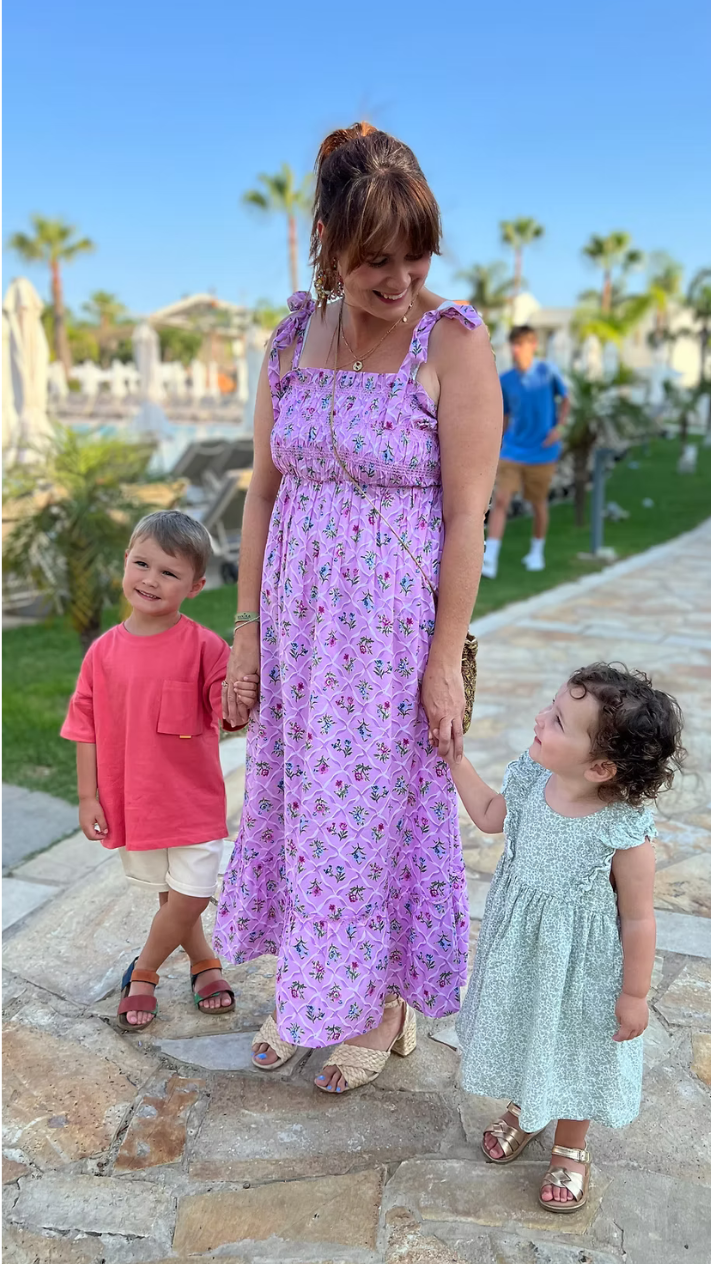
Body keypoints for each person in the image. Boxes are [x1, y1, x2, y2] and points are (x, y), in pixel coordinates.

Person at [217, 121, 502, 1093]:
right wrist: (247, 635)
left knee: (377, 817)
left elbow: (467, 514)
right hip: (298, 632)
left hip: (389, 639)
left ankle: (382, 1002)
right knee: (308, 809)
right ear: (328, 249)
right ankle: (316, 983)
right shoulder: (292, 338)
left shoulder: (452, 341)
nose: (400, 277)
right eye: (374, 258)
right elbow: (263, 491)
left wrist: (442, 656)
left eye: (415, 251)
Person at [445, 663, 683, 1214]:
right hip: (521, 954)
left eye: (556, 720)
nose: (539, 719)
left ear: (599, 766)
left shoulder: (622, 828)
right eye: (550, 709)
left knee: (574, 1049)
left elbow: (639, 918)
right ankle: (525, 1109)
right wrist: (455, 759)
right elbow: (486, 814)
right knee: (525, 1028)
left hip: (583, 969)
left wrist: (634, 993)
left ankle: (571, 1147)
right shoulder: (530, 779)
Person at [61, 510, 258, 1029]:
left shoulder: (205, 647)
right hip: (136, 801)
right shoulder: (101, 654)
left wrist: (238, 696)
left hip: (192, 801)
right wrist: (88, 797)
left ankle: (143, 971)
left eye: (168, 573)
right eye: (142, 564)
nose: (150, 579)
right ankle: (203, 962)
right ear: (125, 561)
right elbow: (85, 728)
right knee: (173, 895)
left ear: (194, 586)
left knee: (193, 892)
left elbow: (226, 710)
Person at [482, 325, 569, 579]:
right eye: (513, 345)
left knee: (538, 503)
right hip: (512, 450)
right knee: (501, 500)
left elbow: (566, 400)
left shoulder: (548, 372)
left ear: (533, 346)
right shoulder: (506, 380)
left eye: (520, 344)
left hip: (543, 452)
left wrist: (560, 427)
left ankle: (536, 552)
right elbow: (505, 414)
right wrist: (496, 442)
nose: (515, 350)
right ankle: (491, 558)